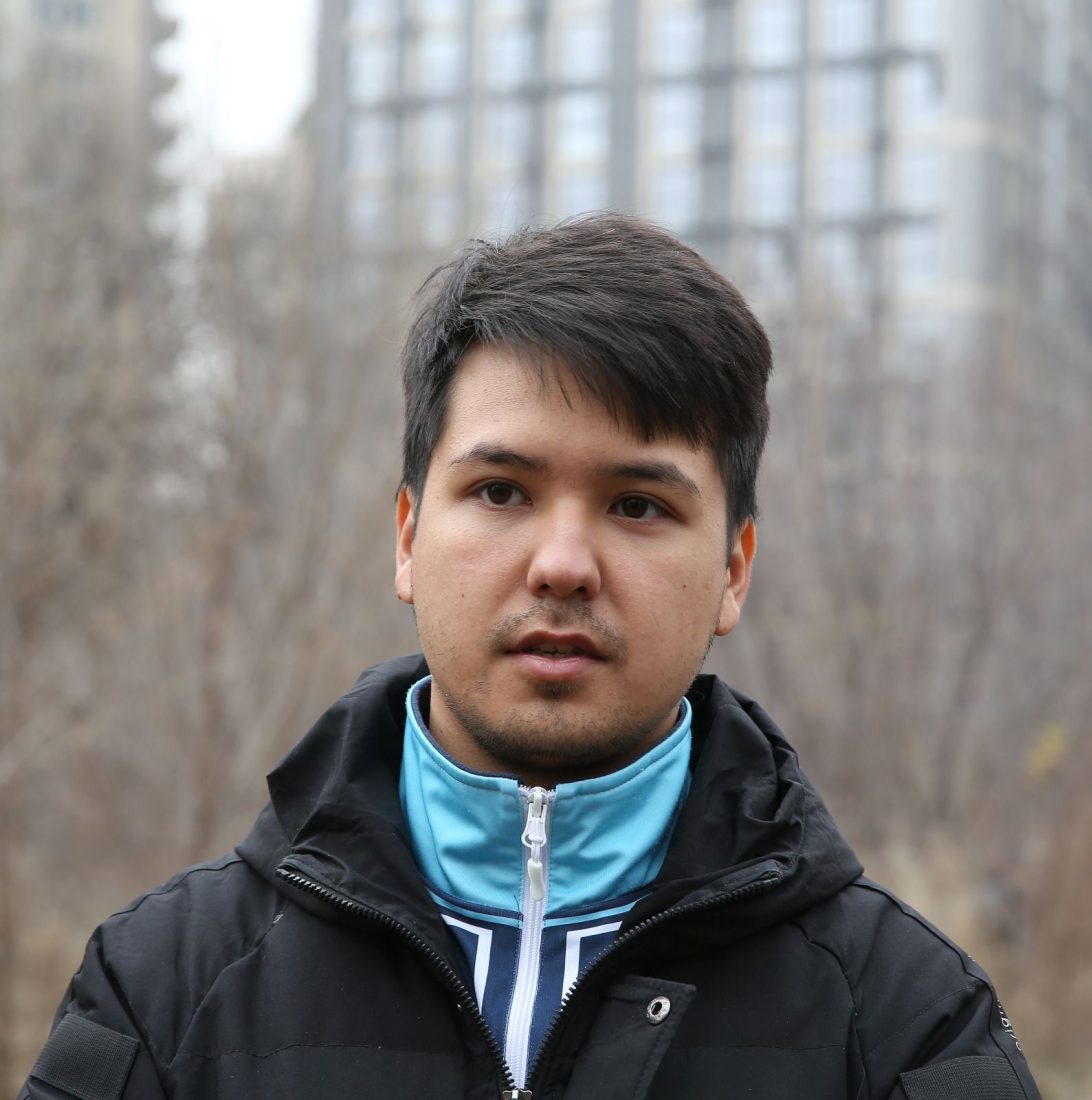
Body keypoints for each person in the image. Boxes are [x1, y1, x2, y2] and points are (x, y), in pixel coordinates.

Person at [21, 215, 1039, 1100]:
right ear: (408, 536)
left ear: (734, 568)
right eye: (501, 491)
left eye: (637, 505)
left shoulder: (902, 1018)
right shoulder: (163, 989)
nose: (561, 565)